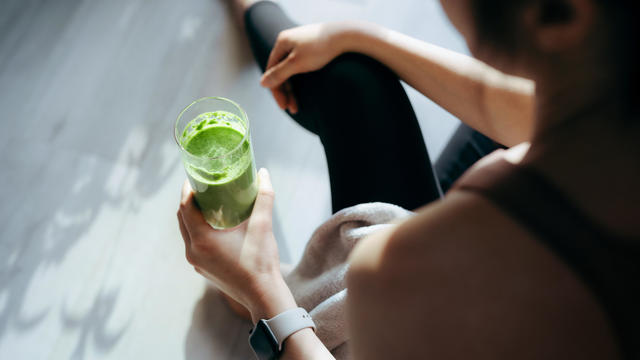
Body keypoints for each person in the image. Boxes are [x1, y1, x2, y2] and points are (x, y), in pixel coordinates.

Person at [176, 0, 639, 358]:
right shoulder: (606, 105)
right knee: (350, 73)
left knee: (350, 87)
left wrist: (262, 293)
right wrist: (361, 36)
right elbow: (517, 108)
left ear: (561, 14)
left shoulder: (400, 270)